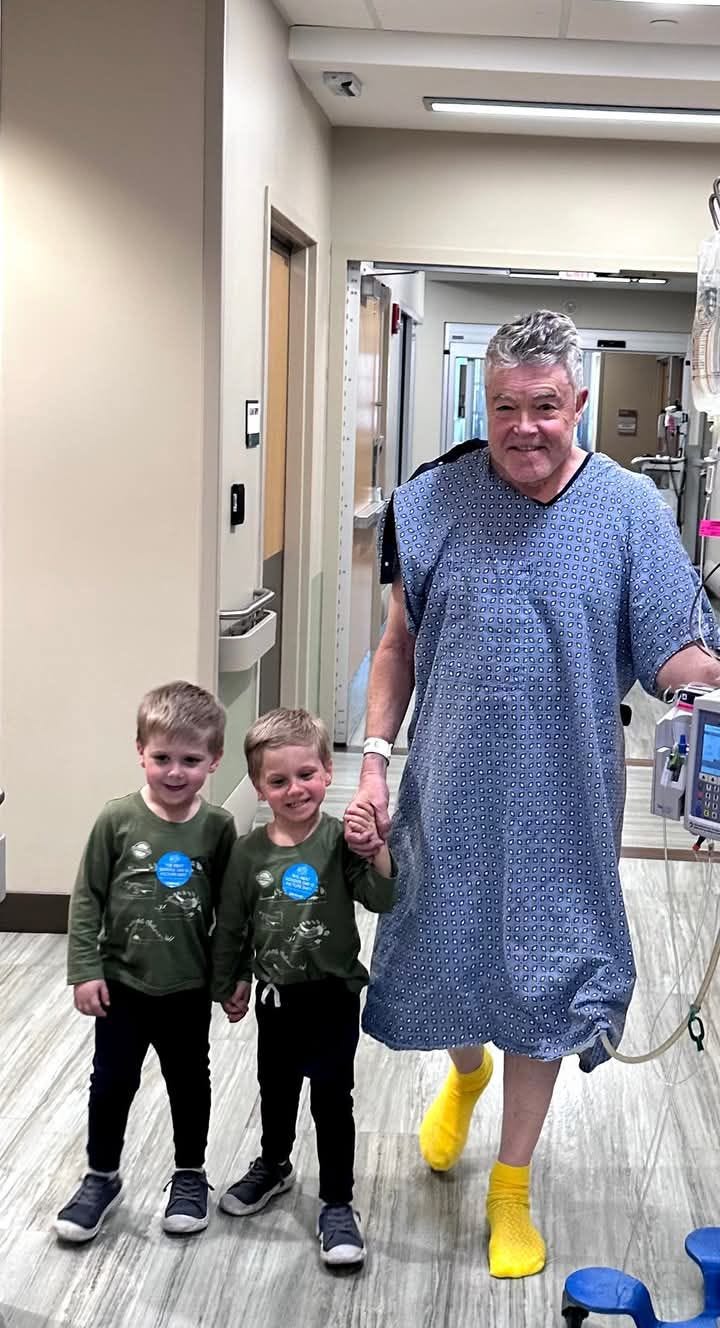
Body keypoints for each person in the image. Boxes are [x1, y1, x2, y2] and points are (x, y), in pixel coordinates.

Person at [344, 309, 720, 1280]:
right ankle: (465, 1076)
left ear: (578, 401)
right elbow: (398, 643)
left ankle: (511, 1183)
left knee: (546, 981)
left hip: (567, 801)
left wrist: (710, 688)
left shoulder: (629, 512)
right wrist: (375, 756)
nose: (523, 428)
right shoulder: (430, 500)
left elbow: (674, 653)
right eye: (505, 406)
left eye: (544, 407)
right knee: (448, 961)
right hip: (450, 786)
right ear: (486, 400)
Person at [212, 707, 395, 1268]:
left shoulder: (340, 840)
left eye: (306, 775)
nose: (295, 789)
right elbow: (233, 924)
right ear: (260, 788)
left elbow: (381, 899)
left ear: (326, 772)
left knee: (333, 1101)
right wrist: (230, 981)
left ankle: (337, 1201)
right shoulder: (247, 853)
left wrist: (377, 850)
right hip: (276, 999)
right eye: (278, 780)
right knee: (276, 1088)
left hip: (333, 996)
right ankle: (274, 1164)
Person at [55, 681, 237, 1243]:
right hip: (121, 984)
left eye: (191, 760)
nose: (175, 772)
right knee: (111, 1083)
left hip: (187, 987)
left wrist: (233, 977)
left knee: (189, 1082)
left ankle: (190, 1175)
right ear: (140, 751)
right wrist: (85, 969)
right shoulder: (117, 819)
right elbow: (87, 897)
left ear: (214, 759)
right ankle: (101, 1176)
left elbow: (231, 913)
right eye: (162, 758)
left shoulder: (219, 828)